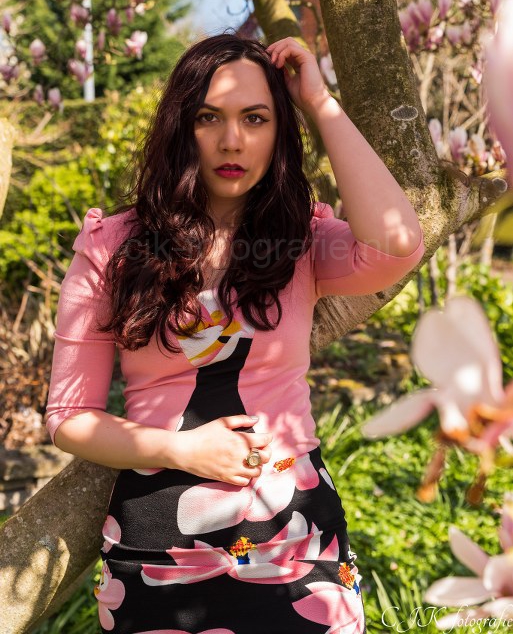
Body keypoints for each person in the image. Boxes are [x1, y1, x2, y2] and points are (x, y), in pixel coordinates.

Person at [45, 33, 425, 634]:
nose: (232, 141)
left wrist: (319, 103)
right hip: (160, 550)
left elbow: (398, 244)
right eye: (208, 118)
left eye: (255, 118)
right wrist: (180, 450)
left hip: (297, 540)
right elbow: (68, 416)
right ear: (181, 127)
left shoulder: (300, 240)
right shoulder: (113, 247)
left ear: (279, 132)